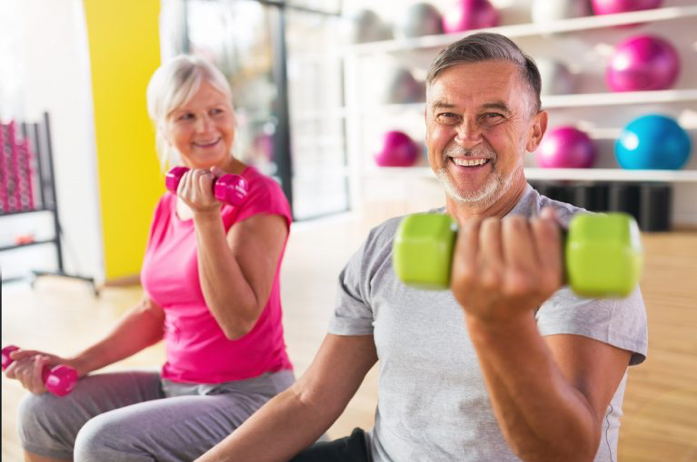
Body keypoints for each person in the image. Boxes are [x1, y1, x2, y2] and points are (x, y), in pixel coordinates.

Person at [195, 33, 648, 462]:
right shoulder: (385, 245)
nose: (466, 135)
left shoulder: (580, 249)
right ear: (427, 126)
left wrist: (501, 324)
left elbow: (566, 453)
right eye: (447, 115)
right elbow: (310, 399)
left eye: (493, 115)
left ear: (535, 131)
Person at [5, 55, 295, 462]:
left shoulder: (259, 196)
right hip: (176, 384)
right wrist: (76, 362)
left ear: (234, 116)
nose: (205, 127)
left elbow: (238, 321)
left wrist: (207, 218)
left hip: (249, 397)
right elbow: (152, 310)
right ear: (163, 127)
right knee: (41, 413)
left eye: (216, 111)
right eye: (186, 116)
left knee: (104, 441)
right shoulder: (167, 204)